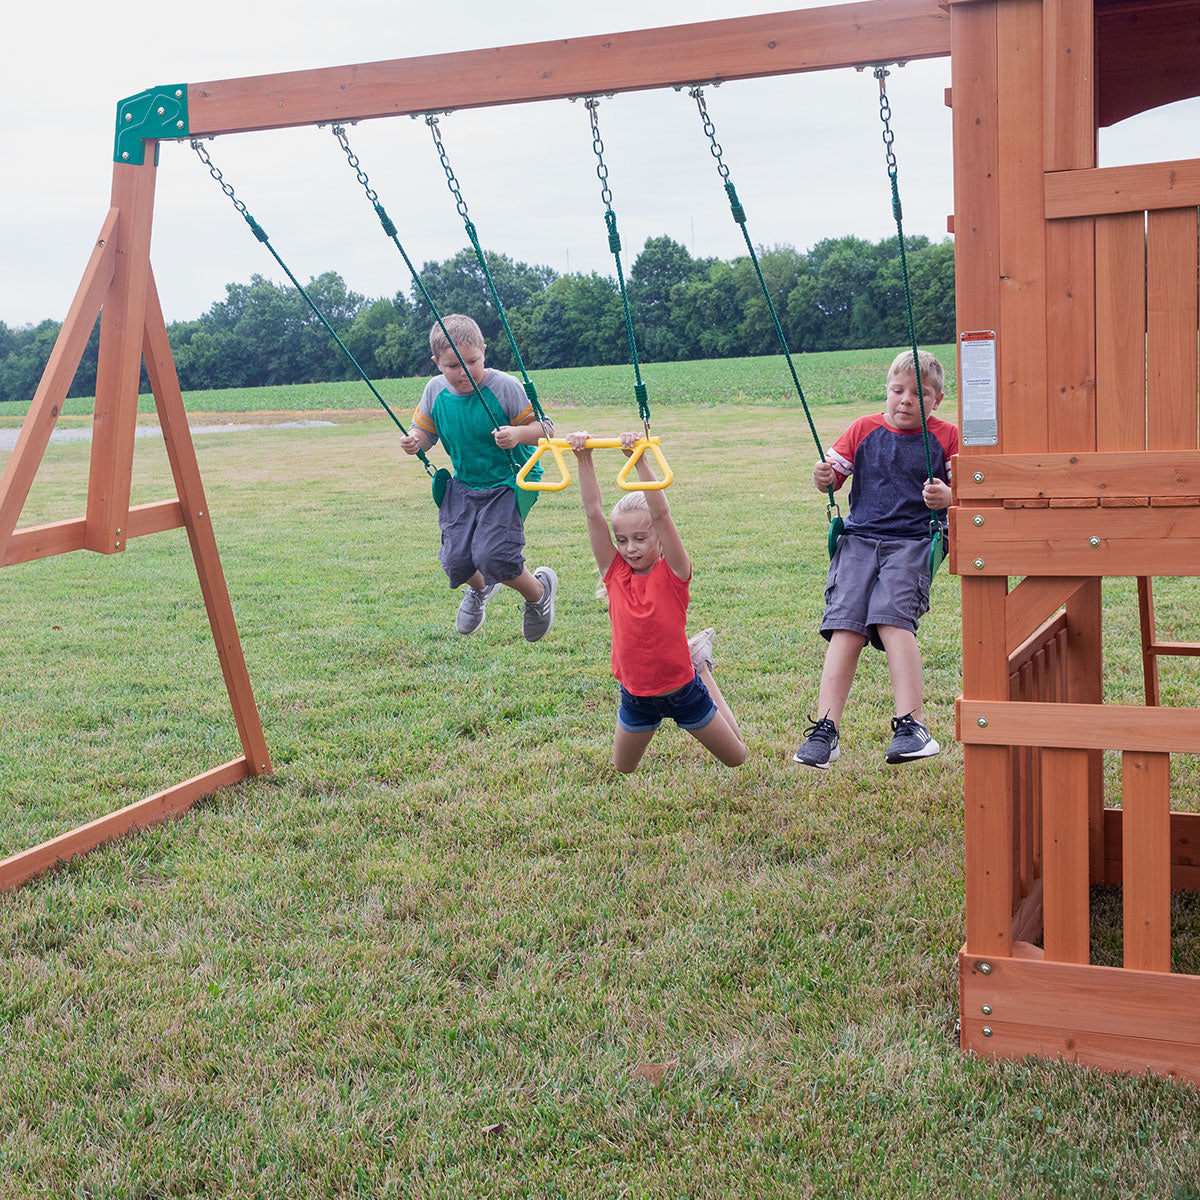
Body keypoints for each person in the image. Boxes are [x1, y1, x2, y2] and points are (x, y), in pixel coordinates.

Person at [793, 348, 959, 769]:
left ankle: (912, 726)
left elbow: (970, 489)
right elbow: (831, 474)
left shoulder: (947, 436)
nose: (905, 400)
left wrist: (949, 497)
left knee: (890, 620)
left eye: (918, 394)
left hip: (913, 542)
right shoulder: (863, 429)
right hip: (860, 540)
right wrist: (823, 477)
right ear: (886, 390)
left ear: (936, 399)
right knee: (844, 624)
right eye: (897, 390)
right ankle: (825, 731)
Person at [568, 430, 747, 773]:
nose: (630, 547)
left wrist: (639, 460)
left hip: (684, 692)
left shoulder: (674, 574)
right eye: (622, 540)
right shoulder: (615, 573)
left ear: (660, 541)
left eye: (639, 538)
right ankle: (696, 662)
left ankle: (702, 669)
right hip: (636, 697)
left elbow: (662, 516)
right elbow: (593, 513)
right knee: (623, 767)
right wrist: (583, 457)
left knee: (736, 757)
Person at [401, 315, 557, 640]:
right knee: (455, 561)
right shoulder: (435, 391)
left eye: (472, 361)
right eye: (452, 366)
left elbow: (546, 429)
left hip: (509, 480)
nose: (464, 372)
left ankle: (538, 594)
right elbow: (426, 432)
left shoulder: (505, 386)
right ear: (436, 363)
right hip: (465, 483)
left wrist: (516, 433)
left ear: (483, 351)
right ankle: (481, 590)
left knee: (494, 555)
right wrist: (416, 440)